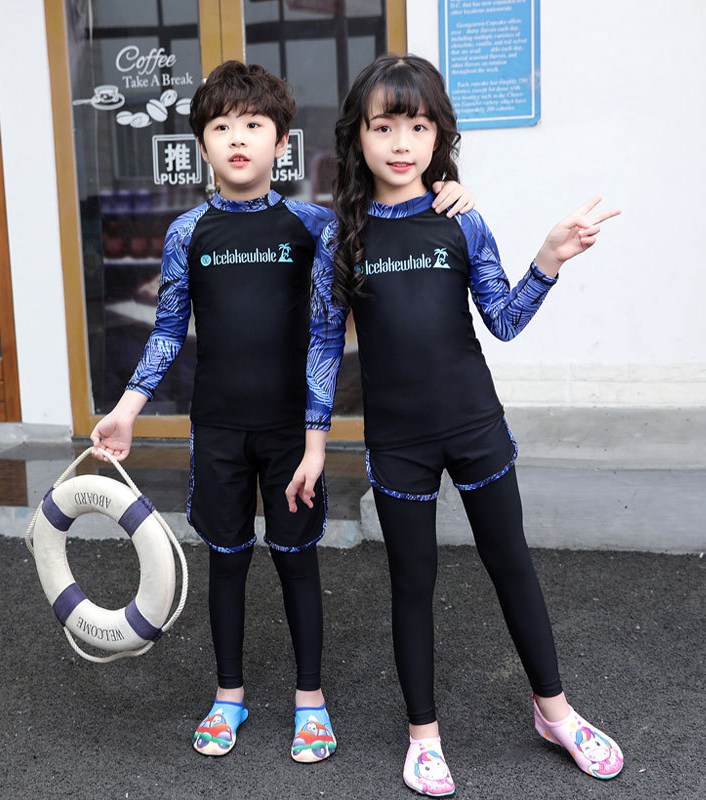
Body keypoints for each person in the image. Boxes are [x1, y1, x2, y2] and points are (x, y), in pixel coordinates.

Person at [89, 59, 474, 764]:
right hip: (218, 430)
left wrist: (449, 192)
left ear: (281, 142)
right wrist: (128, 408)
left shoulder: (315, 226)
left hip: (292, 432)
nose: (237, 138)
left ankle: (310, 700)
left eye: (253, 125)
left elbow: (339, 315)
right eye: (220, 127)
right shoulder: (187, 232)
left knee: (297, 563)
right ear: (201, 145)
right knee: (226, 562)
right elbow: (168, 331)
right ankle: (228, 695)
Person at [286, 53, 624, 795]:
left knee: (512, 565)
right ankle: (424, 736)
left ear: (439, 134)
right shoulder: (343, 236)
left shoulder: (461, 221)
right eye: (384, 126)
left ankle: (556, 713)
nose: (401, 142)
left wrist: (548, 259)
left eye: (418, 126)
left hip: (475, 427)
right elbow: (322, 344)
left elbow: (503, 318)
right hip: (397, 443)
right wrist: (314, 445)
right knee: (412, 583)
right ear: (358, 136)